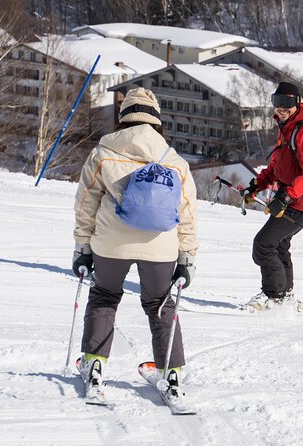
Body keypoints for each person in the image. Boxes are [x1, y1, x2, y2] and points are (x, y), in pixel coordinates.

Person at [72, 87, 198, 399]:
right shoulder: (174, 160)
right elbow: (188, 213)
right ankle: (171, 374)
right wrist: (186, 257)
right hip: (160, 246)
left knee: (104, 297)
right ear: (157, 120)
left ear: (123, 118)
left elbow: (86, 203)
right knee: (159, 305)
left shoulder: (103, 153)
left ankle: (94, 365)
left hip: (110, 244)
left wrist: (82, 248)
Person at [240, 81, 303, 310]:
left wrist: (286, 197)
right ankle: (285, 296)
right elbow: (277, 167)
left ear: (297, 104)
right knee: (278, 245)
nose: (282, 108)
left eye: (287, 103)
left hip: (302, 199)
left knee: (263, 244)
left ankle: (273, 296)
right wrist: (257, 185)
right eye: (278, 103)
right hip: (292, 196)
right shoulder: (286, 128)